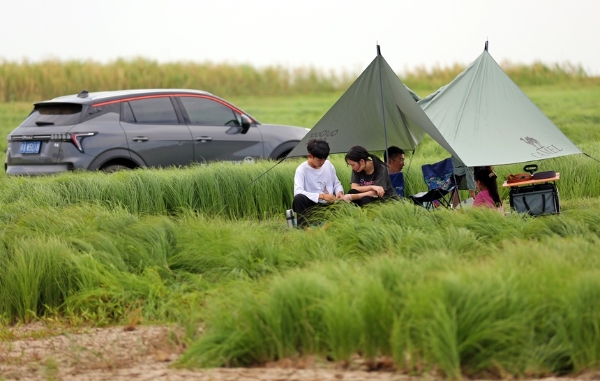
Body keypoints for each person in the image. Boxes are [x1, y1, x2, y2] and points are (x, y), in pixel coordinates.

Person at [293, 139, 345, 227]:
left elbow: (336, 183)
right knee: (299, 198)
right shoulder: (302, 170)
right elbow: (298, 192)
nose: (323, 162)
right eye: (319, 159)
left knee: (345, 200)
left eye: (325, 158)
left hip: (329, 204)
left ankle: (327, 227)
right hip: (312, 205)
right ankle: (304, 228)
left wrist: (339, 192)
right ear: (310, 156)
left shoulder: (328, 165)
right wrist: (323, 196)